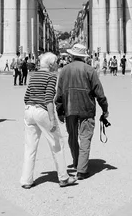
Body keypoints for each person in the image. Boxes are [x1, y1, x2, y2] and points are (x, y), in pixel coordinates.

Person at [20, 52, 77, 189]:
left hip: (29, 110)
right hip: (42, 111)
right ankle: (63, 177)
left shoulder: (34, 75)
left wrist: (31, 107)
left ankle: (26, 180)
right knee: (57, 144)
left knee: (30, 147)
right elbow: (48, 99)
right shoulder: (51, 76)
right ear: (51, 64)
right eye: (56, 62)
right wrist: (52, 119)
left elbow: (26, 96)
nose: (58, 64)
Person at [55, 43, 109, 180]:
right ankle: (82, 170)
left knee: (72, 137)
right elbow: (99, 93)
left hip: (69, 108)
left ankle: (76, 162)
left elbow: (59, 94)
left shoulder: (64, 71)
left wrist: (60, 112)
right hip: (87, 108)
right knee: (85, 138)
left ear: (72, 55)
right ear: (84, 57)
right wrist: (105, 109)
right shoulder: (90, 70)